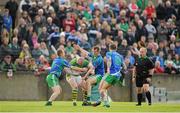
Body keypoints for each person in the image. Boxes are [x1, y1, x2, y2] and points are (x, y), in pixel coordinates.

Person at [92, 43, 124, 108]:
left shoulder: (109, 53)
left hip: (111, 74)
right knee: (103, 88)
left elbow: (109, 60)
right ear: (116, 48)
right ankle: (101, 100)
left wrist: (108, 69)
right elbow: (124, 66)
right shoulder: (120, 56)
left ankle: (104, 102)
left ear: (109, 48)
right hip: (117, 76)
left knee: (102, 88)